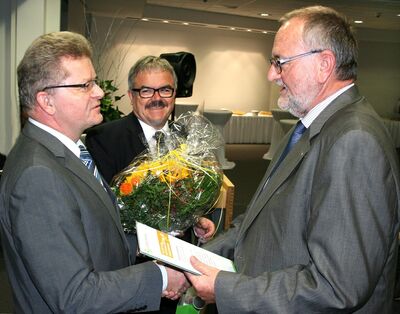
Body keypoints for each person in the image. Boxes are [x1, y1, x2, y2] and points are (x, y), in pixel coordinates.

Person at [185, 6, 400, 313]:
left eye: (280, 62)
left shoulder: (354, 141)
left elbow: (337, 286)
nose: (271, 74)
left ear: (324, 64)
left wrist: (225, 288)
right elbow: (262, 217)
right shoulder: (308, 127)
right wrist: (197, 259)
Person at [0, 31, 190, 313]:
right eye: (85, 85)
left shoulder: (70, 151)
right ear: (46, 101)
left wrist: (156, 245)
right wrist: (161, 276)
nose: (100, 92)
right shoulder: (36, 176)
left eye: (95, 82)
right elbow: (75, 296)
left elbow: (96, 232)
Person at [85, 55, 215, 242]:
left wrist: (200, 219)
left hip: (182, 255)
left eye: (165, 90)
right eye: (146, 91)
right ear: (131, 96)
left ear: (174, 94)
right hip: (134, 261)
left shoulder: (191, 138)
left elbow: (201, 195)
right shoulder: (103, 139)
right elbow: (105, 211)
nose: (157, 98)